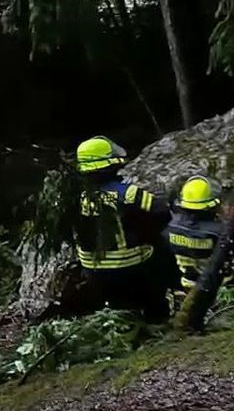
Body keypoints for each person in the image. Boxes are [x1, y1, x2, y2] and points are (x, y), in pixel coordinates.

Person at [73, 136, 173, 323]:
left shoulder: (74, 196)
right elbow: (162, 212)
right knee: (163, 243)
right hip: (128, 269)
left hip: (92, 272)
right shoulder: (127, 193)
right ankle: (159, 316)